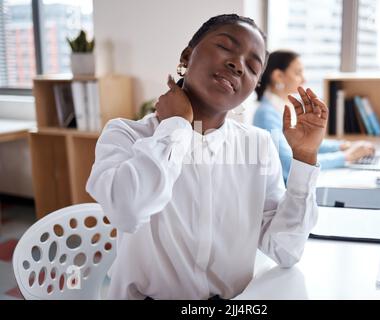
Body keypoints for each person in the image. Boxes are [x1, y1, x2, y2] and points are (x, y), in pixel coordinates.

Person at [86, 14, 329, 300]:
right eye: (225, 47)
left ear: (253, 87)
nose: (238, 65)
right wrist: (176, 126)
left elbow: (285, 250)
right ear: (187, 56)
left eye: (252, 67)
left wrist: (304, 157)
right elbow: (127, 211)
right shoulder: (126, 134)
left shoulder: (258, 145)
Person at [253, 50, 375, 182]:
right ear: (278, 76)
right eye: (298, 73)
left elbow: (304, 143)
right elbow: (289, 164)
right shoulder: (266, 114)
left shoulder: (280, 106)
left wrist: (342, 146)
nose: (304, 79)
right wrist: (346, 156)